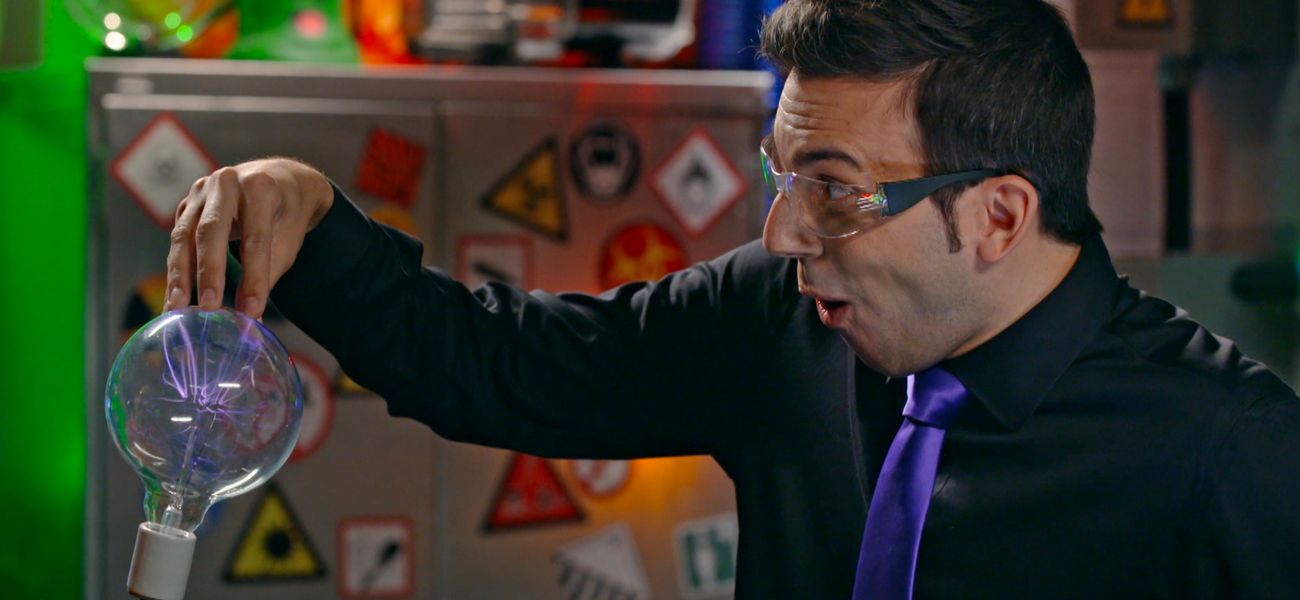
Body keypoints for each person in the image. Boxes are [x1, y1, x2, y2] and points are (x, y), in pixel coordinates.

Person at [162, 0, 1300, 597]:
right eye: (782, 176)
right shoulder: (780, 320)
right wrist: (310, 215)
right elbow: (493, 365)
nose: (784, 233)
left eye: (836, 191)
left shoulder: (1230, 451)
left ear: (999, 215)